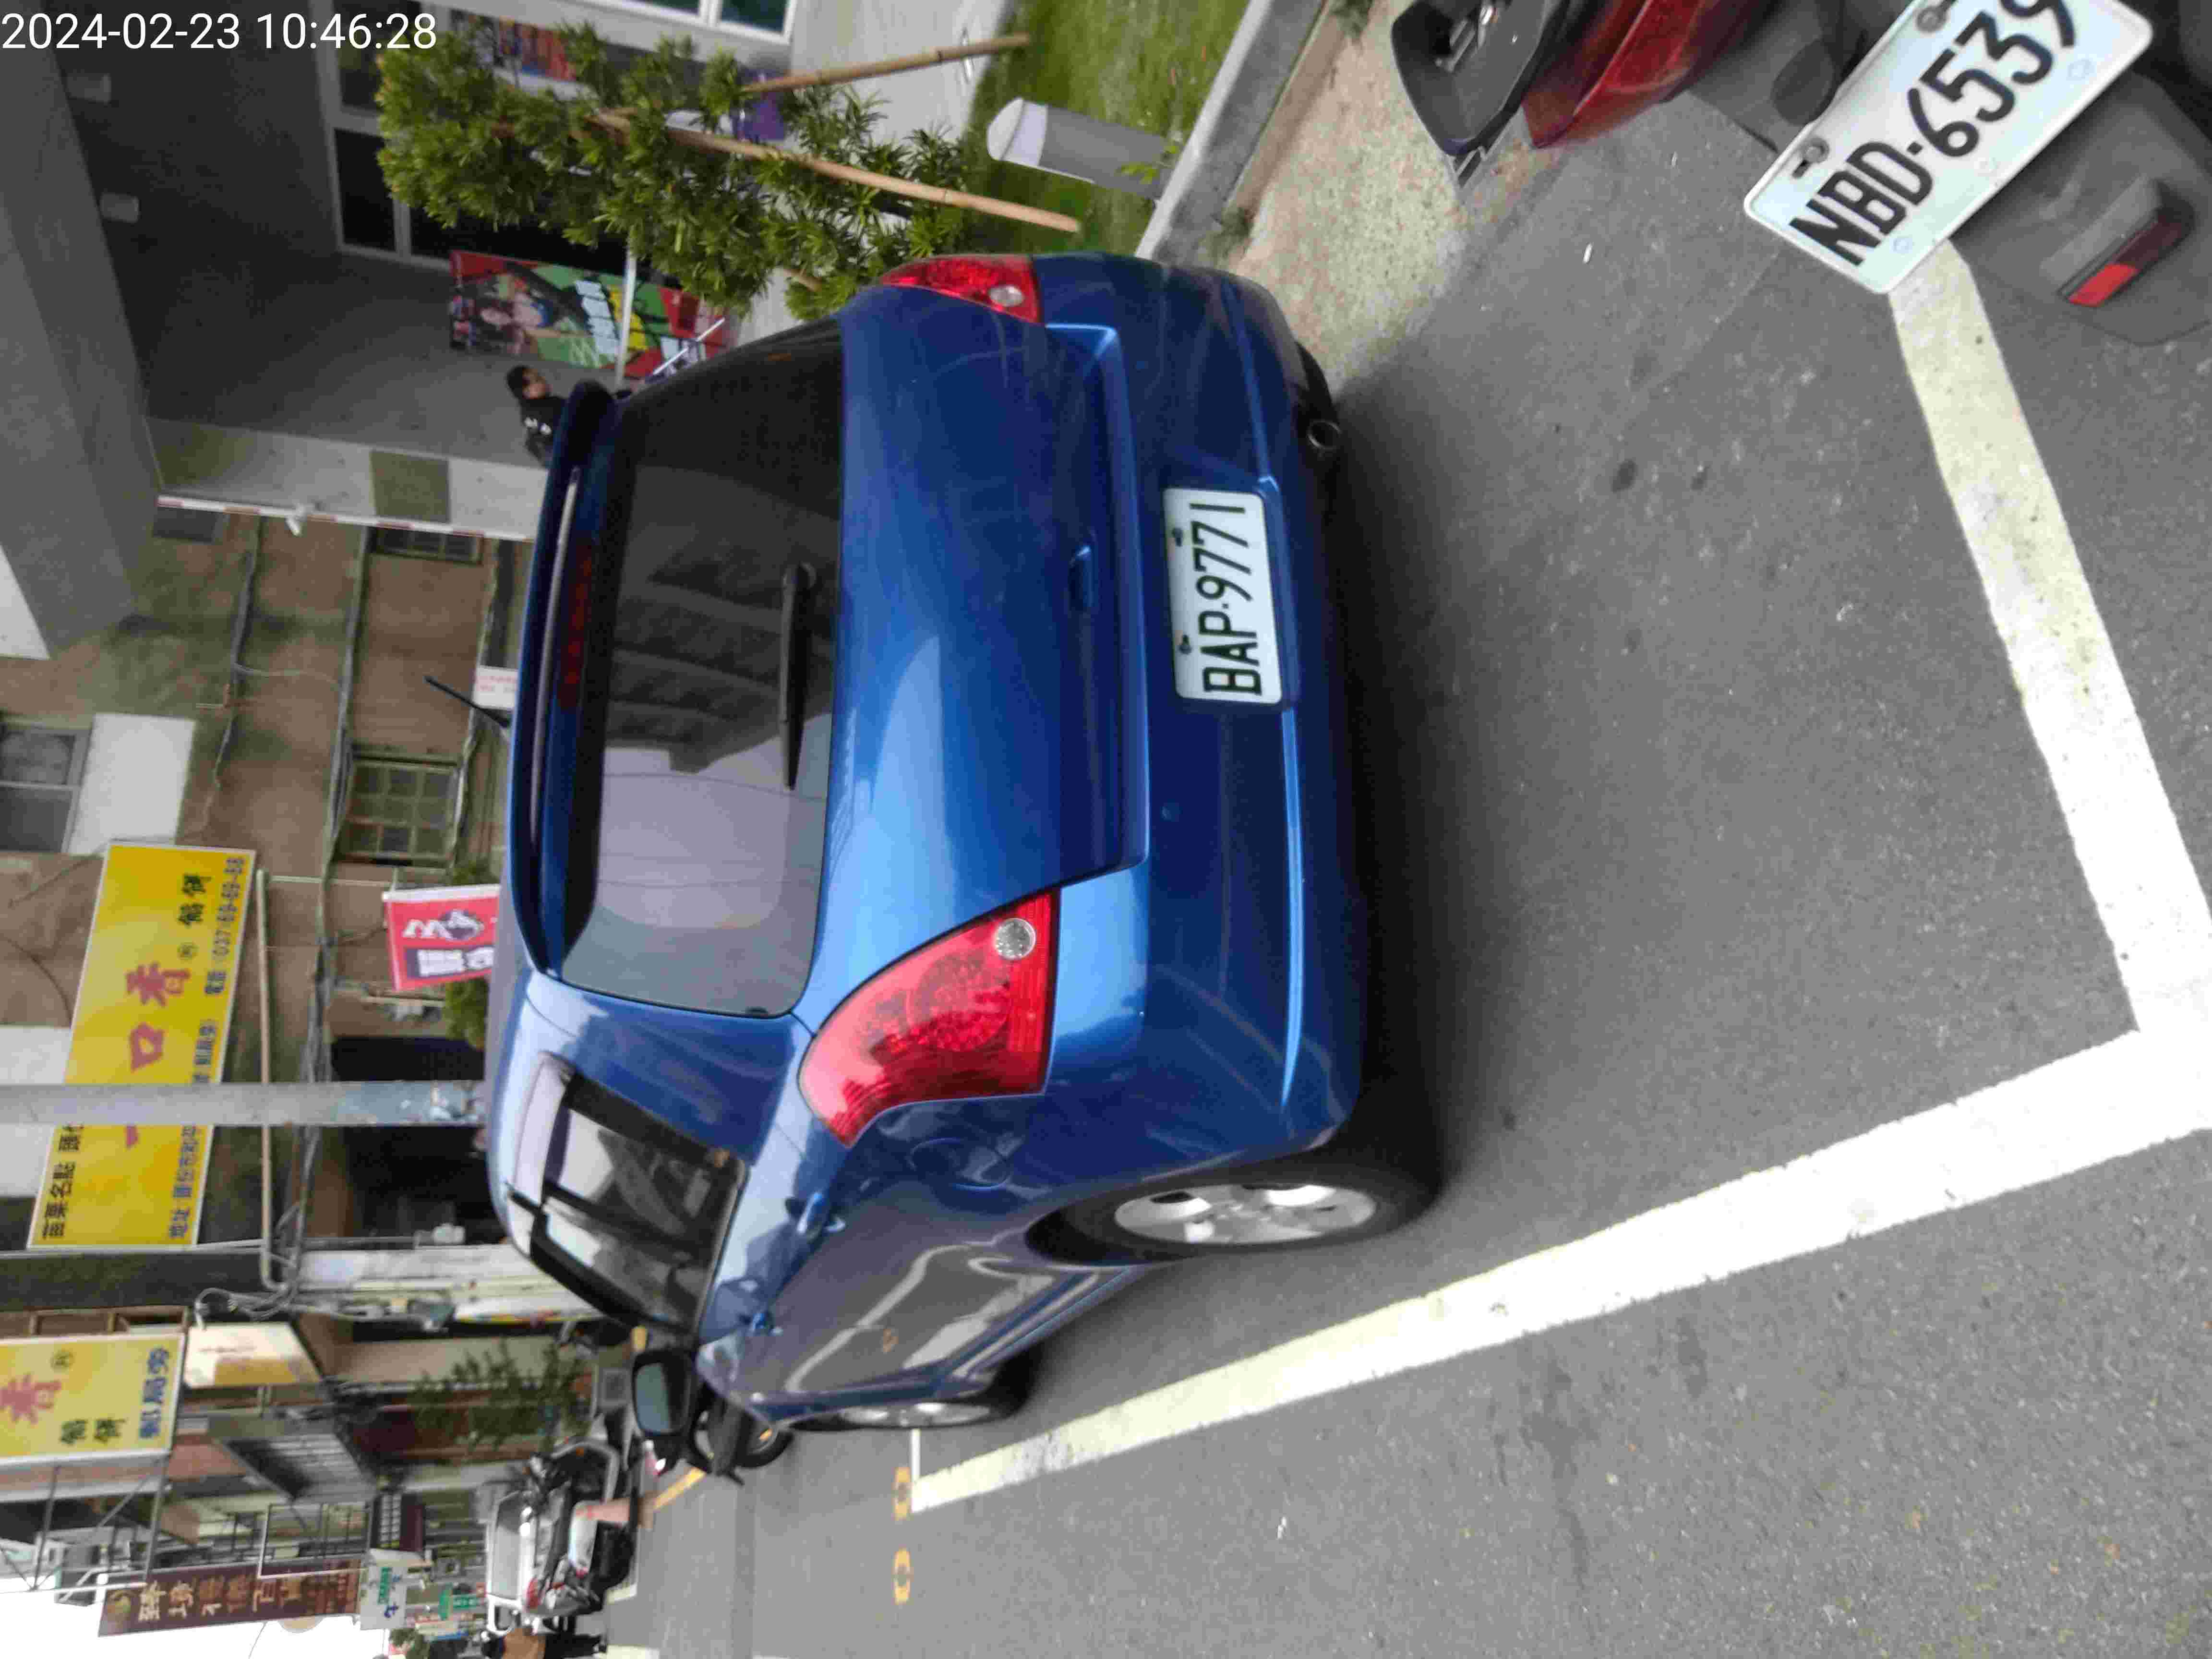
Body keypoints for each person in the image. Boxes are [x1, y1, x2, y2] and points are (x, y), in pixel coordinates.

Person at [508, 365, 565, 465]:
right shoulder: (535, 415)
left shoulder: (552, 403)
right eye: (538, 380)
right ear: (527, 392)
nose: (544, 381)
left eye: (540, 377)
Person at [481, 1627, 604, 1659]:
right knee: (569, 1641)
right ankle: (594, 1640)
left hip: (543, 1657)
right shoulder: (508, 1638)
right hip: (545, 1642)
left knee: (569, 1653)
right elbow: (528, 1629)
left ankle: (594, 1649)